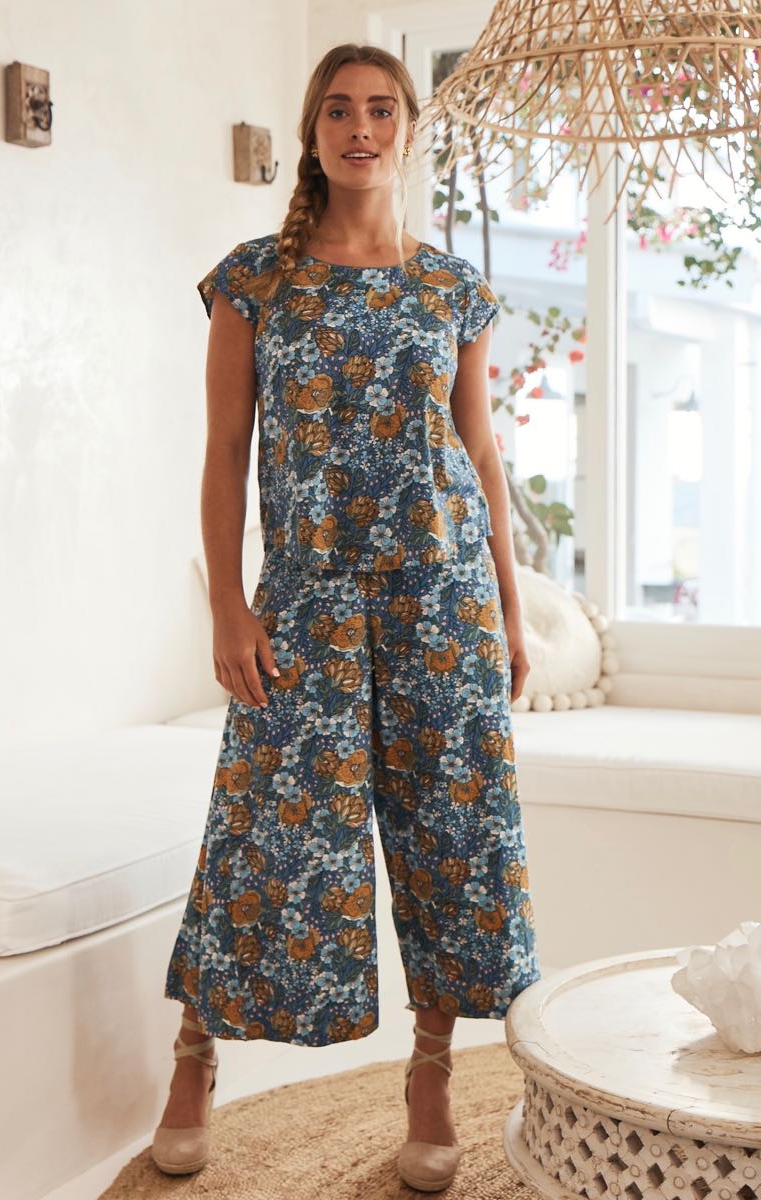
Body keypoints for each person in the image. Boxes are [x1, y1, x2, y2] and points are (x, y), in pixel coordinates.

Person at [152, 40, 541, 1193]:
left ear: (407, 130)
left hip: (440, 598)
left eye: (379, 109)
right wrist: (228, 604)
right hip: (307, 601)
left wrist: (509, 610)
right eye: (337, 110)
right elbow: (225, 451)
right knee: (260, 828)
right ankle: (193, 1057)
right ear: (313, 132)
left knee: (449, 838)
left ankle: (429, 1074)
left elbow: (480, 456)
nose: (359, 127)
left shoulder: (451, 290)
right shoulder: (253, 282)